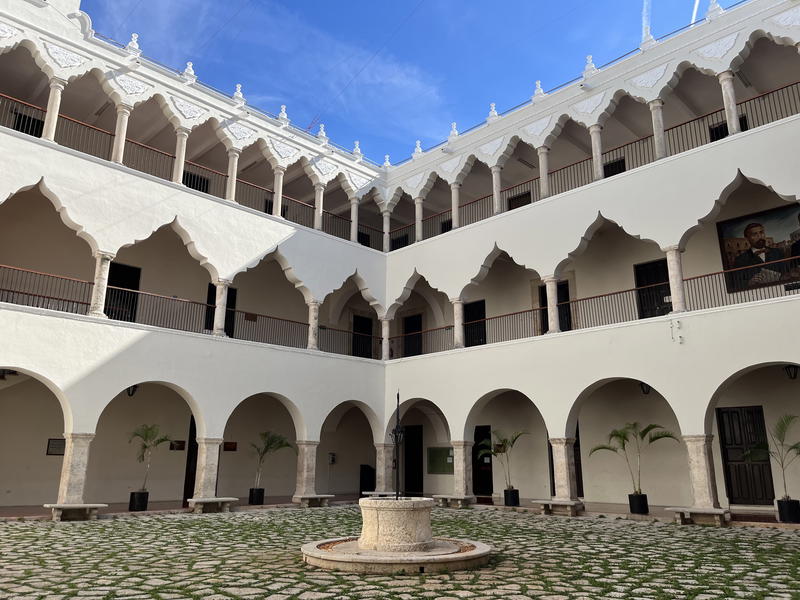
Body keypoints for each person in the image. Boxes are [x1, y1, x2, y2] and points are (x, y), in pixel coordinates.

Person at [731, 222, 785, 290]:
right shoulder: (740, 260)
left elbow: (786, 272)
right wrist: (749, 283)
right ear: (747, 238)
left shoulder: (777, 252)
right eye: (754, 234)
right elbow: (736, 283)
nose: (759, 236)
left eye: (761, 232)